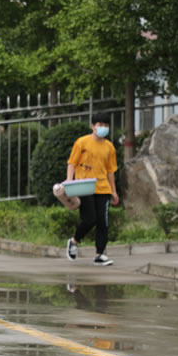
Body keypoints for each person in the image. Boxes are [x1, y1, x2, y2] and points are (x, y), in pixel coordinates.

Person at [64, 112, 118, 266]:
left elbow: (110, 171)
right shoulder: (82, 143)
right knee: (90, 219)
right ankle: (74, 241)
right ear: (93, 126)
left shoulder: (109, 147)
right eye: (100, 125)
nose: (103, 128)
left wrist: (113, 191)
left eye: (106, 125)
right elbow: (72, 163)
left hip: (103, 188)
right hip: (85, 186)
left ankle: (100, 254)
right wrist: (69, 180)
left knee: (103, 222)